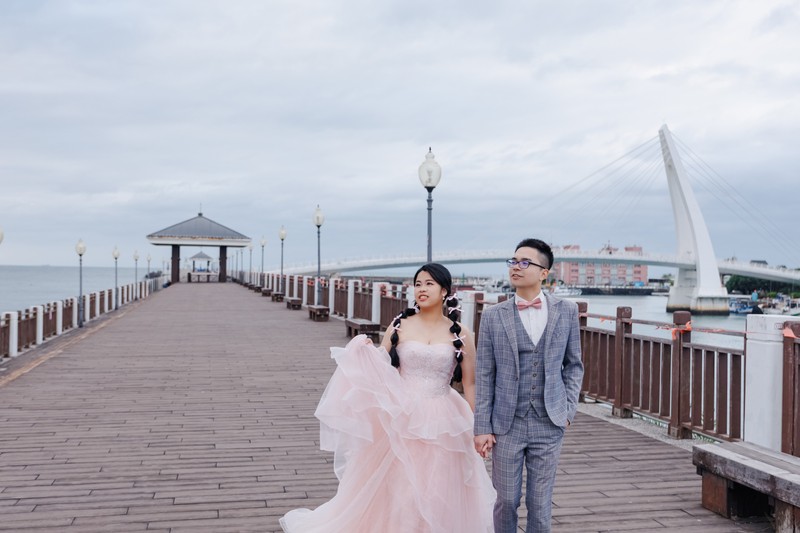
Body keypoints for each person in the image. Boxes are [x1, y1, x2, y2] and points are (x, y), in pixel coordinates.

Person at [280, 263, 495, 532]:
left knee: (439, 485)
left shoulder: (461, 333)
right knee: (400, 486)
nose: (421, 289)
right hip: (402, 413)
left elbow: (470, 384)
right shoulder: (400, 325)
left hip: (445, 418)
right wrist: (364, 351)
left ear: (444, 291)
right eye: (417, 284)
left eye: (429, 284)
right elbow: (381, 368)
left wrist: (481, 427)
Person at [473, 238, 584, 533]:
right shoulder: (493, 316)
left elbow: (574, 365)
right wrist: (482, 426)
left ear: (544, 272)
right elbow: (484, 373)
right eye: (513, 261)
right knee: (506, 499)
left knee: (540, 503)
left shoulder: (567, 311)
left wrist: (568, 410)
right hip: (506, 423)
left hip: (549, 421)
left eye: (525, 262)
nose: (516, 267)